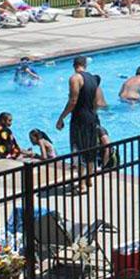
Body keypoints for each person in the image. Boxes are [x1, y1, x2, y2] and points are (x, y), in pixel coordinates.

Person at [56, 56, 108, 193]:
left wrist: (61, 118)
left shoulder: (75, 78)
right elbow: (97, 103)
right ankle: (89, 179)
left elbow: (73, 100)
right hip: (92, 117)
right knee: (90, 149)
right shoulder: (93, 78)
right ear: (85, 65)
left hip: (79, 119)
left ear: (74, 65)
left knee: (78, 150)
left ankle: (81, 184)